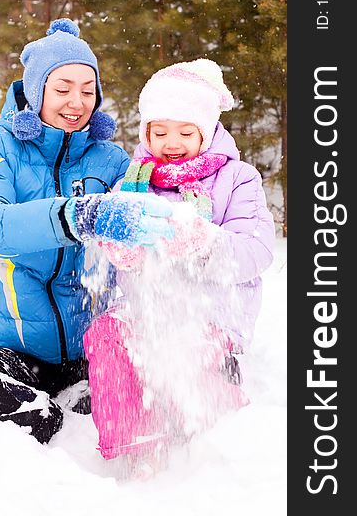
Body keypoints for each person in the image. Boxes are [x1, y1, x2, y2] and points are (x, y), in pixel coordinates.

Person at [0, 18, 174, 445]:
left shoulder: (112, 162)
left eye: (88, 90)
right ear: (36, 91)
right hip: (12, 353)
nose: (77, 101)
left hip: (92, 352)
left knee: (180, 367)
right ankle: (38, 410)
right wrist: (78, 216)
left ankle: (89, 399)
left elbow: (160, 215)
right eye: (63, 87)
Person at [82, 58, 276, 472]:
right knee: (105, 334)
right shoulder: (130, 184)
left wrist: (203, 243)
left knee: (198, 366)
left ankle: (215, 440)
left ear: (206, 131)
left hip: (212, 319)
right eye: (160, 131)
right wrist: (122, 254)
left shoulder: (236, 180)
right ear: (145, 131)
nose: (172, 142)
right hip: (145, 314)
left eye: (186, 132)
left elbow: (255, 253)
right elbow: (110, 262)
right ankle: (135, 441)